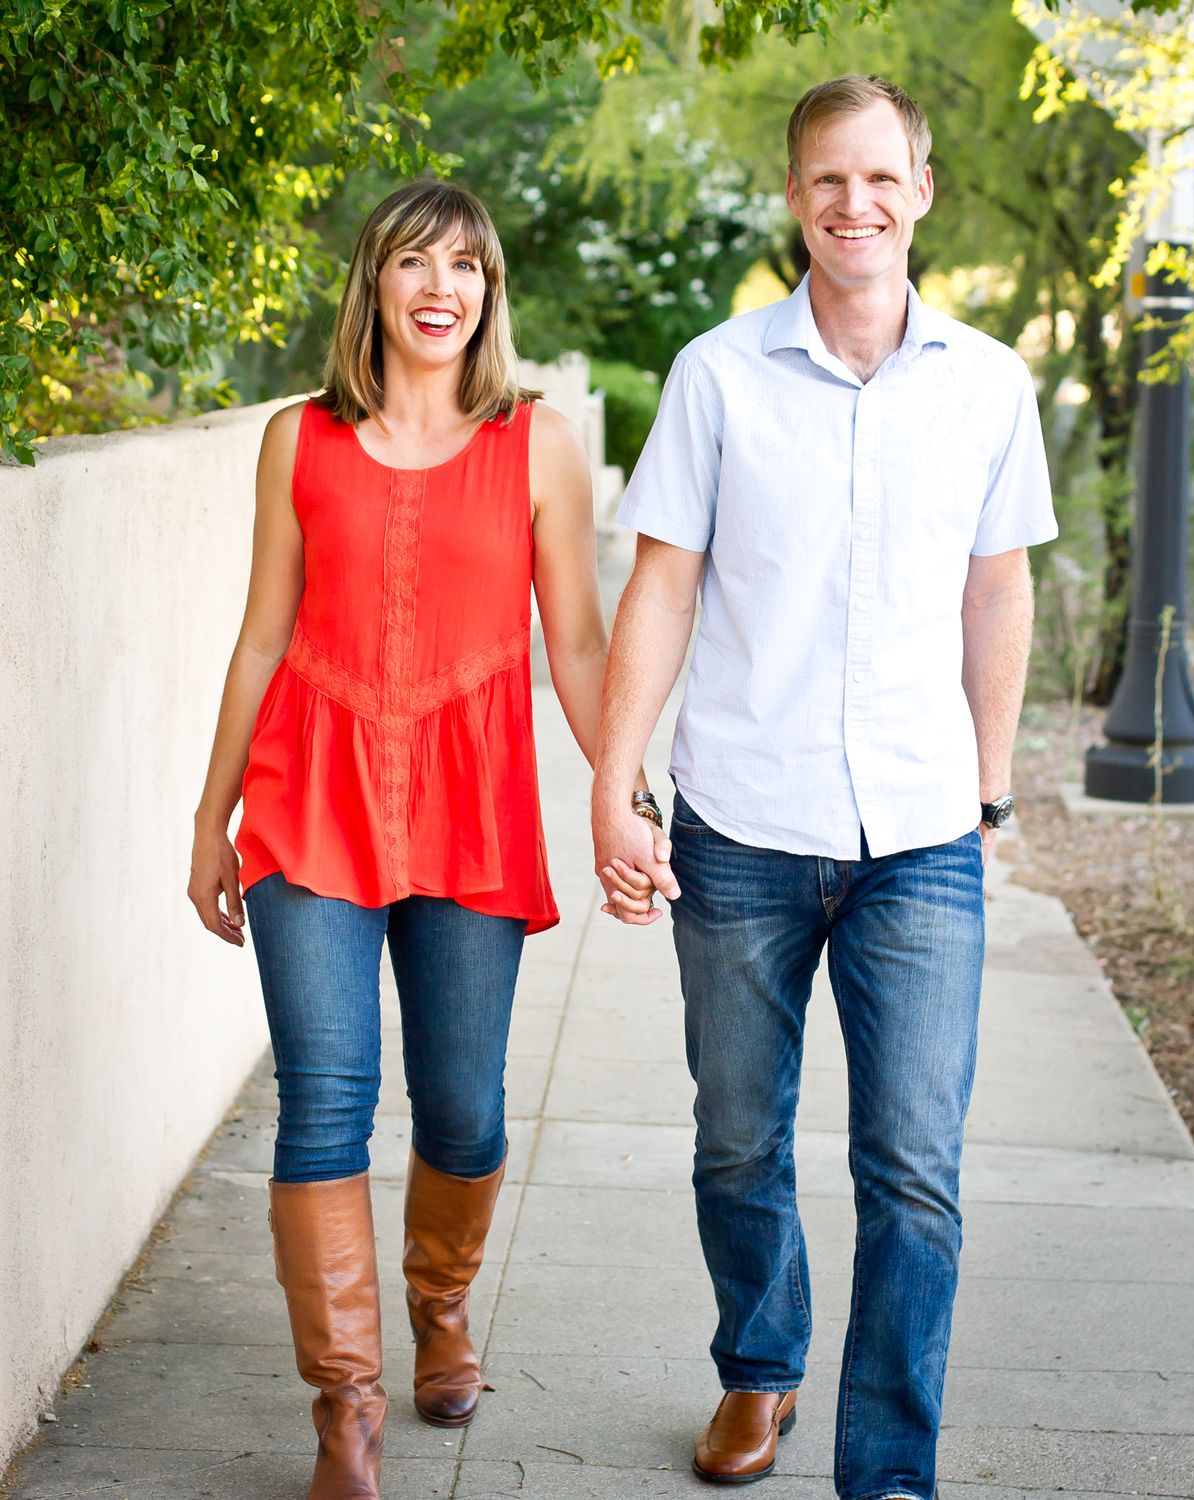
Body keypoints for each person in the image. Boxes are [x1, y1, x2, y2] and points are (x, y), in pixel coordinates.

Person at [591, 75, 1057, 1500]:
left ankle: (887, 1472)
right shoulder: (719, 376)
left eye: (879, 177)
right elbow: (662, 588)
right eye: (825, 180)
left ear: (921, 189)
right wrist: (615, 783)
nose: (854, 203)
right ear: (794, 198)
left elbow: (999, 592)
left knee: (914, 1171)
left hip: (921, 833)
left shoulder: (988, 383)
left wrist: (986, 796)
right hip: (741, 826)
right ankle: (758, 1366)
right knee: (737, 1141)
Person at [188, 180, 654, 1500]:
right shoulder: (298, 441)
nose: (439, 286)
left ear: (490, 293)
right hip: (309, 803)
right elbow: (264, 636)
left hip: (473, 807)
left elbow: (574, 639)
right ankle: (347, 1406)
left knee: (461, 1105)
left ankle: (440, 1312)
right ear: (374, 287)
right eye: (411, 262)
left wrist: (619, 789)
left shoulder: (538, 444)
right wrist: (209, 818)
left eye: (465, 265)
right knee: (324, 1095)